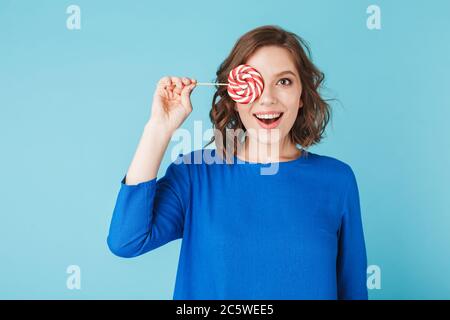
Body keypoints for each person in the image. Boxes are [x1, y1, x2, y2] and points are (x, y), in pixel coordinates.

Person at [107, 25, 368, 300]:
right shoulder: (195, 175)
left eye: (284, 81)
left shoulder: (337, 180)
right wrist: (158, 128)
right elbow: (126, 240)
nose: (267, 98)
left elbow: (352, 290)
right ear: (233, 94)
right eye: (254, 82)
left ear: (302, 95)